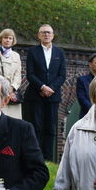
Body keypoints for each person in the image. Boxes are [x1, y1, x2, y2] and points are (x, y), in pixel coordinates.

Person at [25, 24, 67, 160]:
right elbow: (30, 74)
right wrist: (42, 87)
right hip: (36, 95)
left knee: (50, 128)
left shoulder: (60, 53)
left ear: (53, 35)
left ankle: (48, 159)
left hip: (53, 97)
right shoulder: (32, 51)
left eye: (49, 32)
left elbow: (62, 75)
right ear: (39, 35)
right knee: (36, 127)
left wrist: (51, 89)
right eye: (43, 33)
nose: (46, 35)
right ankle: (36, 158)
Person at [0, 28, 22, 119]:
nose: (8, 40)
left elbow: (18, 74)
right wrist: (4, 89)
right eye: (5, 37)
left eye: (10, 38)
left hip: (12, 93)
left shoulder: (16, 56)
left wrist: (12, 88)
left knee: (13, 121)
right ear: (1, 39)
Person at [75, 53, 96, 119]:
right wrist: (95, 111)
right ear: (90, 64)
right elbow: (82, 99)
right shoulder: (82, 80)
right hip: (87, 115)